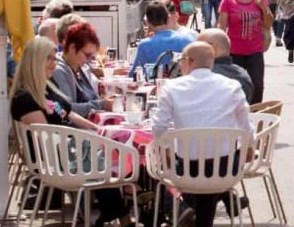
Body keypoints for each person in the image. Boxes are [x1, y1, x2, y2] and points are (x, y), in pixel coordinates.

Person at [13, 37, 131, 225]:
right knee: (105, 156)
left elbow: (69, 114)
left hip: (69, 150)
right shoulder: (25, 98)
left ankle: (123, 209)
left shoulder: (48, 89)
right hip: (54, 160)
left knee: (107, 150)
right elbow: (45, 136)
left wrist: (96, 129)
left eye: (54, 57)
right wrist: (88, 138)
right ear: (35, 61)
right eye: (49, 59)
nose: (54, 63)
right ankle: (130, 203)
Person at [149, 42, 253, 227]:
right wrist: (249, 147)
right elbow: (246, 125)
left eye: (181, 60)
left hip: (187, 168)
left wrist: (165, 150)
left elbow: (158, 127)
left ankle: (187, 211)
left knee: (162, 166)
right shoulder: (232, 86)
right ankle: (202, 214)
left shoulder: (172, 87)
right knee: (212, 175)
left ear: (188, 61)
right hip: (225, 168)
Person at [218, 0, 272, 103]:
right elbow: (221, 26)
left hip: (255, 51)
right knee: (235, 88)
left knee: (257, 86)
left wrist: (264, 8)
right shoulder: (227, 0)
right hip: (234, 52)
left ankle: (254, 116)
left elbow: (268, 24)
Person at [50, 22, 111, 118]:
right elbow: (68, 109)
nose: (89, 60)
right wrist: (102, 104)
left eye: (92, 56)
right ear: (72, 48)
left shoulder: (80, 67)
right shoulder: (59, 71)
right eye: (87, 55)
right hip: (76, 131)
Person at [132, 0, 194, 75]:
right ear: (168, 18)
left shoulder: (144, 45)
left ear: (147, 22)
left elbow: (134, 74)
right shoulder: (187, 39)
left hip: (156, 85)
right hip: (182, 84)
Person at [196, 28, 255, 101]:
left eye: (197, 46)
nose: (194, 50)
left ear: (211, 47)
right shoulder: (242, 74)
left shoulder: (204, 75)